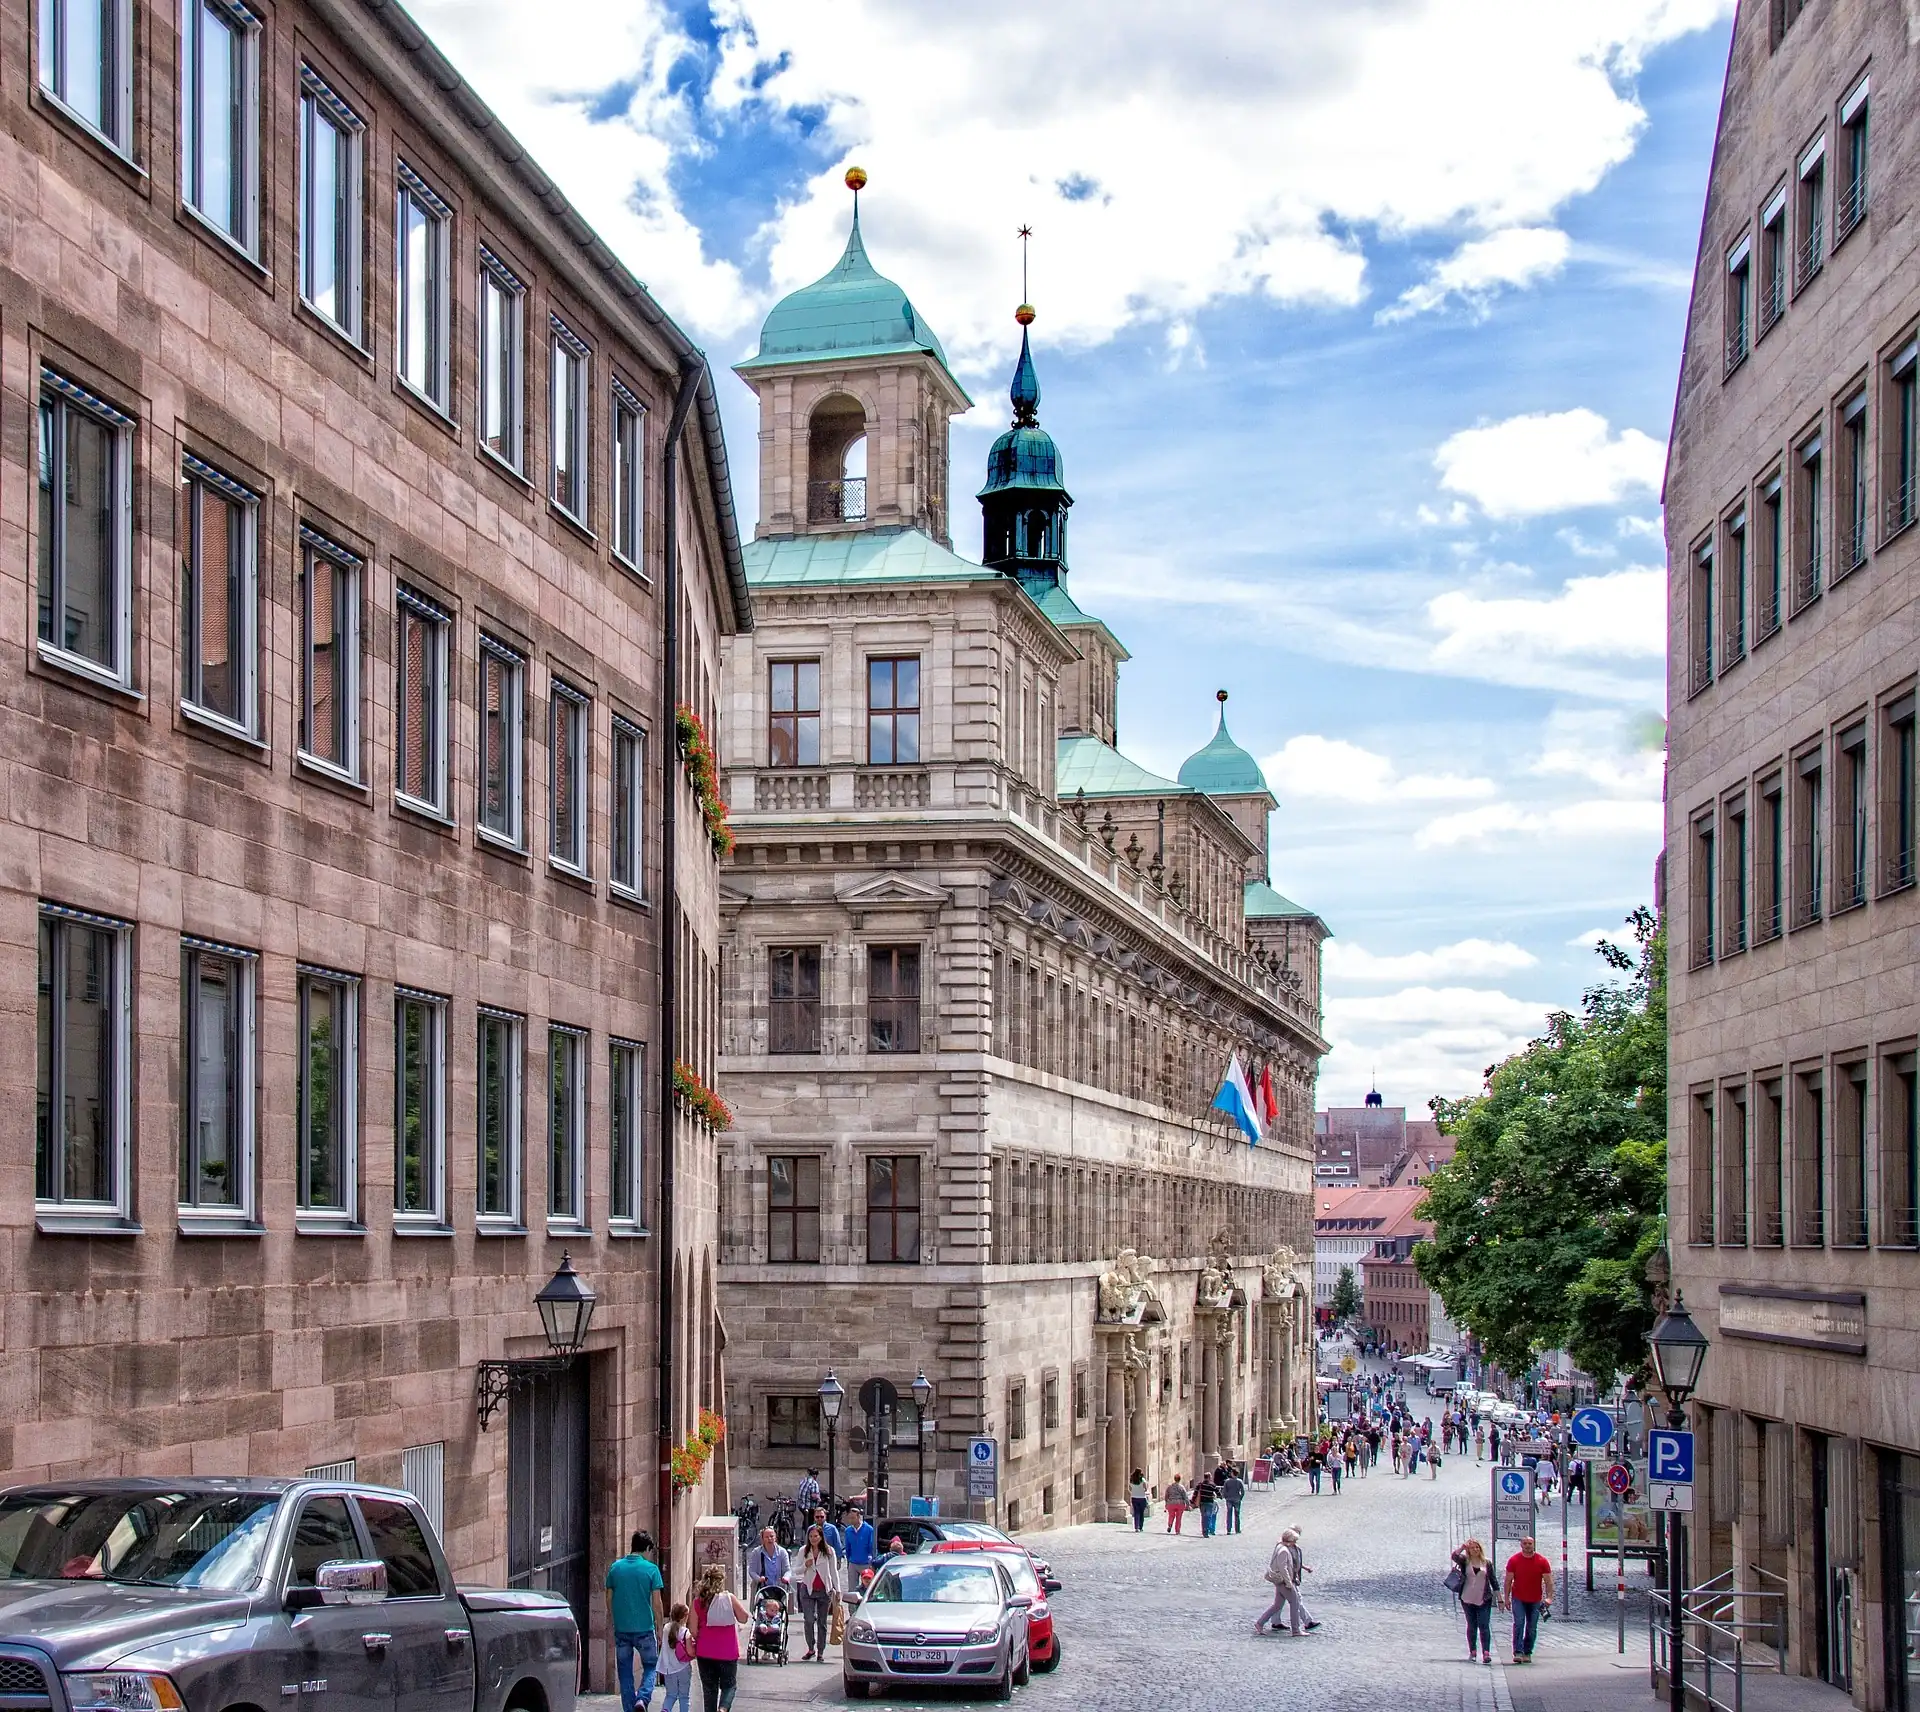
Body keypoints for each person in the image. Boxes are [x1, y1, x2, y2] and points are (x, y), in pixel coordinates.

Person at [605, 1530, 667, 1712]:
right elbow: (657, 1603)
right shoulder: (651, 1570)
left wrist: (614, 1619)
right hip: (645, 1628)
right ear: (647, 1548)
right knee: (651, 1665)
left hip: (622, 1628)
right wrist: (660, 1627)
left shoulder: (615, 1568)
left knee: (624, 1673)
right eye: (650, 1551)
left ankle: (629, 1709)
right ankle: (643, 1698)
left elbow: (608, 1598)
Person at [691, 1565, 749, 1712]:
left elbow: (693, 1630)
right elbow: (743, 1618)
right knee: (729, 1686)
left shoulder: (698, 1602)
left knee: (709, 1690)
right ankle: (723, 1709)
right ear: (721, 1581)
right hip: (727, 1652)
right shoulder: (729, 1598)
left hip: (705, 1652)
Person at [1501, 1535, 1554, 1664]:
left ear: (1534, 1544)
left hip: (1535, 1599)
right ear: (1521, 1545)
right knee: (1519, 1623)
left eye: (1530, 1543)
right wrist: (1506, 1598)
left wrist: (1549, 1598)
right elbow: (1508, 1581)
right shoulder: (1514, 1560)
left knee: (1532, 1627)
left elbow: (1548, 1581)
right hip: (1518, 1598)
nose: (1527, 1545)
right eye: (1525, 1543)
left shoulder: (1542, 1561)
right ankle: (1518, 1651)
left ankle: (1527, 1652)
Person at [793, 1524, 839, 1662]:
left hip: (824, 1590)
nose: (813, 1539)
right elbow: (796, 1570)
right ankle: (810, 1648)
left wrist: (838, 1590)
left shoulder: (829, 1551)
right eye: (811, 1536)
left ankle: (820, 1651)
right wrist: (804, 1566)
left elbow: (833, 1571)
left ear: (821, 1537)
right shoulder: (803, 1551)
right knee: (808, 1620)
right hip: (808, 1589)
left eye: (816, 1536)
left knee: (822, 1622)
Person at [1450, 1539, 1498, 1664]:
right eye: (1473, 1548)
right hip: (1467, 1597)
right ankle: (1473, 1651)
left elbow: (1493, 1581)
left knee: (1484, 1625)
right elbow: (1454, 1556)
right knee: (1472, 1625)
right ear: (1469, 1551)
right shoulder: (1465, 1562)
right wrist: (1462, 1547)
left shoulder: (1486, 1563)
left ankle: (1486, 1652)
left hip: (1484, 1598)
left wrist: (1500, 1598)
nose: (1475, 1549)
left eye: (1477, 1547)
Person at [1254, 1529, 1305, 1637]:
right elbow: (1283, 1568)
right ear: (1289, 1541)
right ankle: (1296, 1630)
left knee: (1277, 1605)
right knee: (1294, 1603)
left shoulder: (1280, 1547)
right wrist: (1289, 1583)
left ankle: (1260, 1623)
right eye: (1294, 1541)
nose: (1294, 1544)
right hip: (1283, 1582)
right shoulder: (1284, 1551)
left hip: (1280, 1581)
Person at [658, 1603, 695, 1712]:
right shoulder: (685, 1632)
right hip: (683, 1668)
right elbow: (690, 1651)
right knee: (684, 1697)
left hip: (668, 1669)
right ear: (684, 1616)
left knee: (670, 1695)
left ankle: (665, 1710)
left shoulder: (665, 1628)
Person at [839, 1505, 876, 1592]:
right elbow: (848, 1547)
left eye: (853, 1518)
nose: (851, 1520)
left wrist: (872, 1562)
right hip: (853, 1563)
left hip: (866, 1563)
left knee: (868, 1588)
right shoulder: (848, 1530)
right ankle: (852, 1605)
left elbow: (872, 1547)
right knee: (852, 1589)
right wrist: (849, 1561)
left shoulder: (869, 1529)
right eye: (850, 1518)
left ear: (858, 1517)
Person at [745, 1527, 790, 1598]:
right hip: (761, 1588)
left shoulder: (782, 1552)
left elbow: (787, 1570)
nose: (769, 1539)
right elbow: (752, 1571)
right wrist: (758, 1578)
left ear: (775, 1538)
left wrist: (785, 1577)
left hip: (779, 1587)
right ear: (762, 1539)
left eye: (771, 1536)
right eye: (766, 1537)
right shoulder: (756, 1552)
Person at [1221, 1465, 1246, 1534]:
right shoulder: (1239, 1481)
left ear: (1232, 1473)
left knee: (1229, 1515)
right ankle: (1237, 1529)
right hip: (1237, 1499)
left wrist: (1225, 1497)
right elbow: (1243, 1491)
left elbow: (1224, 1491)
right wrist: (1240, 1497)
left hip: (1229, 1499)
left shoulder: (1227, 1481)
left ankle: (1228, 1530)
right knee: (1237, 1515)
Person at [1195, 1473, 1220, 1537]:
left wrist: (1193, 1501)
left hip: (1202, 1503)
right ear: (1209, 1477)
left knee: (1203, 1517)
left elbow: (1195, 1493)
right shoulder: (1212, 1485)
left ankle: (1204, 1530)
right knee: (1208, 1517)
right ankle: (1206, 1530)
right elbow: (1218, 1492)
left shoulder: (1200, 1484)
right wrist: (1220, 1496)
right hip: (1209, 1503)